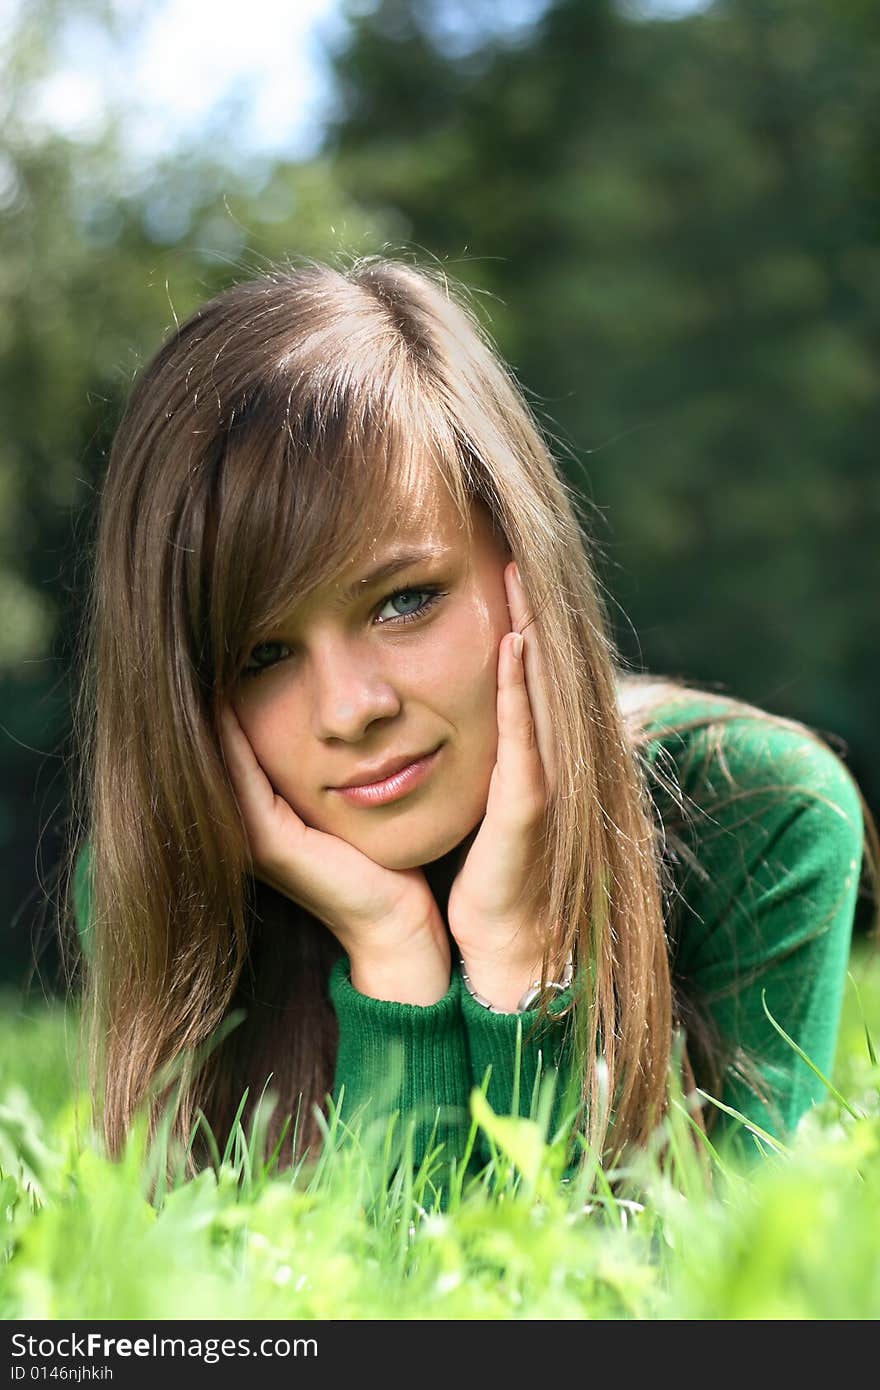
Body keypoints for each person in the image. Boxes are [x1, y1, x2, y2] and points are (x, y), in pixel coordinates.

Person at [68, 255, 875, 1182]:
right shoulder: (161, 884)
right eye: (261, 656)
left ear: (520, 553)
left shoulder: (758, 816)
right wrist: (393, 961)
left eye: (403, 601)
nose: (351, 710)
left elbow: (691, 1306)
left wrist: (518, 968)